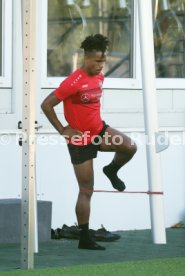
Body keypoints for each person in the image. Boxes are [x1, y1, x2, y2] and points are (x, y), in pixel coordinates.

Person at [41, 34, 137, 251]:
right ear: (86, 58)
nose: (100, 66)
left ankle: (111, 170)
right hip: (80, 140)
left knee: (130, 147)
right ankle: (84, 238)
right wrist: (63, 130)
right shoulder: (72, 82)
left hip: (99, 131)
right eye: (97, 62)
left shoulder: (100, 77)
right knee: (86, 190)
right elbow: (46, 105)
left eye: (103, 62)